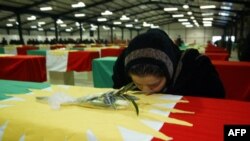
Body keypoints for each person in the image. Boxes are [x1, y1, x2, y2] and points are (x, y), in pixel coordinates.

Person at [112, 29, 225, 98]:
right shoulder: (122, 66)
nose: (145, 92)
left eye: (154, 85)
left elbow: (216, 102)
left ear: (169, 72)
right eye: (138, 85)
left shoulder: (197, 68)